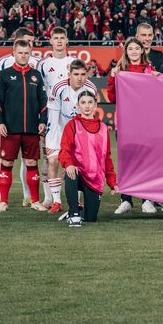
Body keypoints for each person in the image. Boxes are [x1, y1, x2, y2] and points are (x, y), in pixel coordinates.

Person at [0, 40, 48, 212]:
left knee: (31, 163)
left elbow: (42, 101)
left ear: (30, 53)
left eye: (26, 53)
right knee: (6, 163)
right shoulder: (4, 74)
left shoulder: (36, 75)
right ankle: (3, 202)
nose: (23, 55)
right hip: (9, 129)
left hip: (31, 128)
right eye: (20, 52)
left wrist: (42, 120)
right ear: (14, 53)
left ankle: (35, 201)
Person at [108, 37, 156, 215]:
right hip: (125, 124)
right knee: (126, 162)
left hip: (144, 124)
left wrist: (156, 78)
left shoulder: (149, 70)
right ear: (126, 52)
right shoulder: (120, 71)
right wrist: (112, 78)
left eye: (137, 48)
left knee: (145, 162)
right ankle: (126, 199)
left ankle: (146, 199)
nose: (134, 51)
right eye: (131, 49)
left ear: (143, 51)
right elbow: (113, 98)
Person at [45, 59, 97, 214]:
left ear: (87, 75)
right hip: (61, 130)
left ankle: (78, 201)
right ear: (70, 74)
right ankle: (56, 202)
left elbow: (90, 116)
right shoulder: (59, 87)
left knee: (81, 165)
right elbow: (53, 116)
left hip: (80, 133)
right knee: (53, 160)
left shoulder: (91, 89)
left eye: (83, 74)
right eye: (76, 74)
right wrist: (51, 141)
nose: (79, 78)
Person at [59, 91, 116, 227]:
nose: (87, 106)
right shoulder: (72, 125)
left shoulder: (103, 128)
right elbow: (64, 150)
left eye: (90, 102)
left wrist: (112, 183)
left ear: (95, 105)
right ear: (78, 105)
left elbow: (106, 157)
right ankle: (73, 214)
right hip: (78, 173)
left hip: (95, 178)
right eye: (83, 103)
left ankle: (80, 212)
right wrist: (68, 165)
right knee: (70, 173)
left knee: (91, 218)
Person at [39, 27, 77, 209]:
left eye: (62, 38)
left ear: (67, 40)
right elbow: (39, 91)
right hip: (51, 117)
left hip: (71, 117)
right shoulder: (44, 64)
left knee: (75, 158)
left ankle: (75, 200)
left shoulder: (75, 62)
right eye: (56, 38)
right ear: (51, 41)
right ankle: (52, 199)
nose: (59, 41)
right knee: (50, 159)